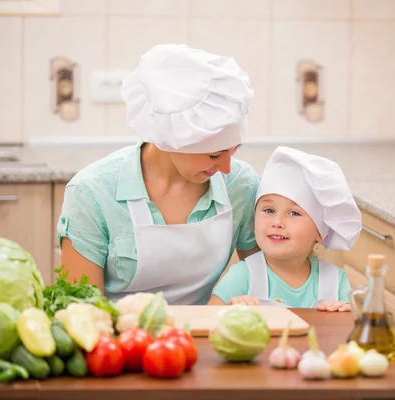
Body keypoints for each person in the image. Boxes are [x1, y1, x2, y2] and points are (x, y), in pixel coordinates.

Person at [57, 44, 260, 305]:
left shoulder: (241, 185)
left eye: (234, 150)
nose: (226, 168)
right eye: (214, 155)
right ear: (171, 139)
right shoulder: (92, 192)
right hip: (120, 340)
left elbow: (269, 280)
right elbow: (81, 311)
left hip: (205, 336)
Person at [208, 146, 362, 311]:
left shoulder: (335, 281)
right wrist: (231, 311)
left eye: (294, 213)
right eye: (269, 210)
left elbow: (351, 329)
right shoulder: (243, 276)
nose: (277, 222)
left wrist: (342, 313)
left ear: (319, 231)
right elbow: (205, 320)